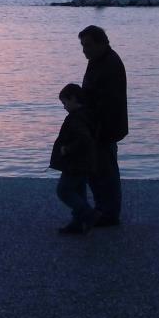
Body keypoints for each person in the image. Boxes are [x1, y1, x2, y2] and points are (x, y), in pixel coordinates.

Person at [78, 25, 128, 227]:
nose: (84, 50)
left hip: (103, 129)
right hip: (98, 127)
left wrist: (95, 129)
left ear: (102, 43)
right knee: (99, 171)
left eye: (88, 45)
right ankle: (104, 210)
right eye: (83, 45)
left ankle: (108, 214)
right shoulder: (100, 60)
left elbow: (108, 103)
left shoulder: (109, 64)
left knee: (105, 173)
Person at [50, 83, 99, 235]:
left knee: (63, 190)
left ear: (73, 99)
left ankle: (89, 214)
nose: (64, 107)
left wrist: (67, 149)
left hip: (75, 163)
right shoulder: (86, 115)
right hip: (84, 162)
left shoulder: (76, 118)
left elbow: (84, 139)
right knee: (79, 191)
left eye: (65, 103)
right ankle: (77, 223)